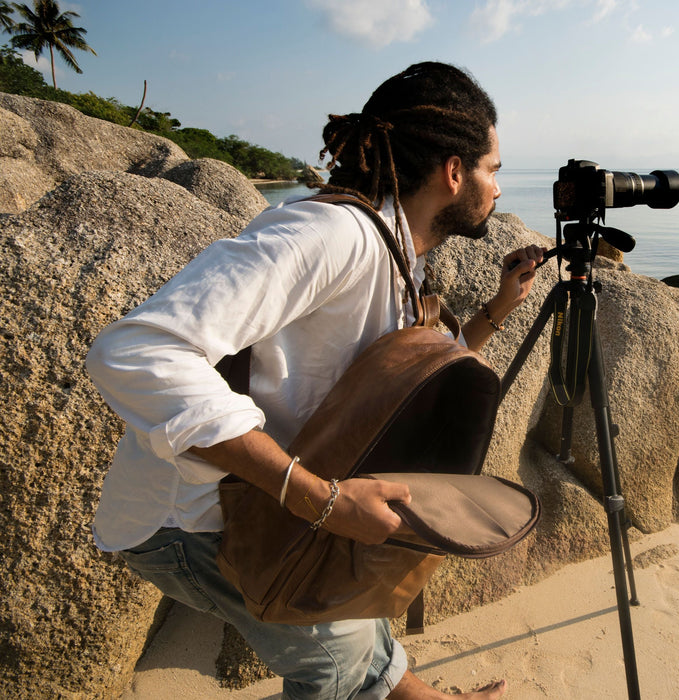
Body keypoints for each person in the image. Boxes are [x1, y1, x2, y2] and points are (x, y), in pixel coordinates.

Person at [86, 62, 544, 699]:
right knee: (335, 663)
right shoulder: (331, 234)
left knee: (352, 615)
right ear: (453, 171)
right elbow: (135, 350)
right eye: (493, 169)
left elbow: (404, 376)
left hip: (267, 499)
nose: (497, 187)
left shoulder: (396, 252)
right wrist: (319, 499)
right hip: (191, 518)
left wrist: (497, 308)